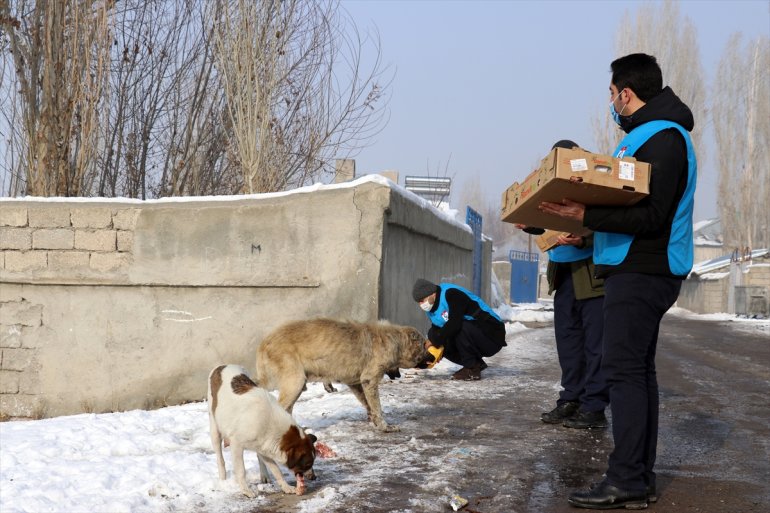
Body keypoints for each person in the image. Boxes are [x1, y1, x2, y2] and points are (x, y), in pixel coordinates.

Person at [540, 53, 697, 509]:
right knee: (636, 373)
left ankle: (626, 477)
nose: (611, 103)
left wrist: (586, 214)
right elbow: (632, 210)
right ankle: (637, 476)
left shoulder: (665, 138)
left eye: (611, 94)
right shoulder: (645, 138)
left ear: (625, 94)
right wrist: (588, 228)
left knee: (623, 371)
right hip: (632, 266)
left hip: (644, 269)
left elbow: (651, 216)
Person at [519, 140, 609, 430]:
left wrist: (584, 239)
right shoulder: (557, 193)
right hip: (564, 277)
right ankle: (571, 398)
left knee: (595, 346)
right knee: (569, 344)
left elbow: (611, 226)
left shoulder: (597, 189)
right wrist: (528, 222)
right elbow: (548, 224)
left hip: (593, 278)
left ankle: (594, 407)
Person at [412, 278, 506, 380]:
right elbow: (436, 330)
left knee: (458, 328)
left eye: (422, 300)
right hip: (475, 335)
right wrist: (429, 354)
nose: (421, 305)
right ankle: (476, 363)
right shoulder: (432, 309)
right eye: (419, 302)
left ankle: (472, 369)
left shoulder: (452, 294)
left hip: (492, 333)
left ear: (432, 294)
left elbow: (454, 324)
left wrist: (435, 340)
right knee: (435, 336)